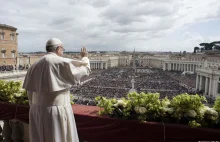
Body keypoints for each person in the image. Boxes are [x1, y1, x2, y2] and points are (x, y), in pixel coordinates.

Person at [23, 38, 91, 142]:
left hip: (36, 110)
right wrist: (85, 58)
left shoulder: (34, 65)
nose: (63, 52)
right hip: (55, 111)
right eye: (63, 49)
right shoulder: (59, 62)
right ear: (58, 48)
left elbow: (30, 92)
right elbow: (84, 70)